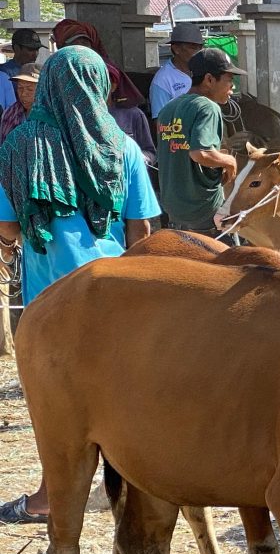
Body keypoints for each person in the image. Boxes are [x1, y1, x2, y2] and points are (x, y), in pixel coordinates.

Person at [0, 46, 160, 523]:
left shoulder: (18, 145)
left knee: (57, 405)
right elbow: (142, 232)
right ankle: (136, 488)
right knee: (122, 393)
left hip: (49, 301)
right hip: (115, 294)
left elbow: (7, 228)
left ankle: (51, 497)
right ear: (97, 86)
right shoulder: (122, 145)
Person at [156, 48, 245, 236]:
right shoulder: (207, 107)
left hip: (174, 215)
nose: (232, 87)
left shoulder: (167, 110)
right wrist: (229, 162)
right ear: (209, 80)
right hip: (205, 214)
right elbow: (200, 153)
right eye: (229, 80)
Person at [52, 19, 144, 109]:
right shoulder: (54, 71)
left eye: (84, 43)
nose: (81, 49)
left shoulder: (106, 69)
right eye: (74, 45)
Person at [148, 22, 205, 116]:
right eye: (193, 47)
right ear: (176, 49)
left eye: (200, 47)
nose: (198, 52)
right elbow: (160, 121)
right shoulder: (163, 80)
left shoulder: (206, 70)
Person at [0, 62, 38, 143]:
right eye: (20, 88)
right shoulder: (10, 113)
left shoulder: (52, 114)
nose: (23, 94)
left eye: (30, 89)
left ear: (42, 89)